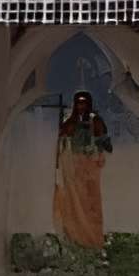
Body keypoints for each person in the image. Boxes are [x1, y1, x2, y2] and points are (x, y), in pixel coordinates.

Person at [53, 90, 112, 253]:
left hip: (90, 166)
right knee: (75, 200)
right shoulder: (71, 122)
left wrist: (100, 149)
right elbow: (62, 135)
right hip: (75, 166)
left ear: (88, 104)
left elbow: (105, 143)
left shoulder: (95, 120)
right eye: (78, 103)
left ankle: (92, 239)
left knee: (91, 202)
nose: (81, 106)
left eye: (84, 102)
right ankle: (76, 237)